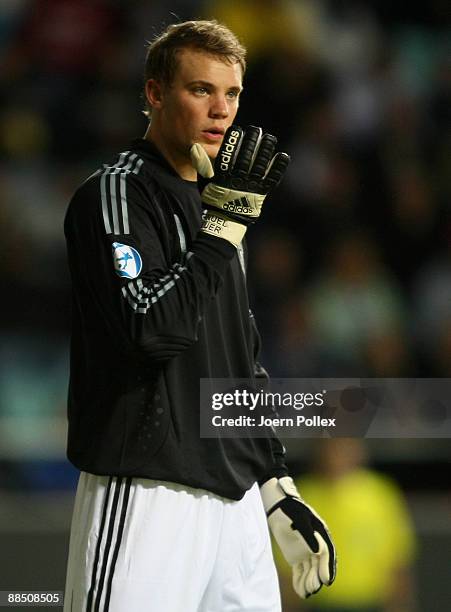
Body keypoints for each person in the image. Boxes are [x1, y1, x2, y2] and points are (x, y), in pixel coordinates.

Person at [63, 19, 336, 612]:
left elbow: (239, 357)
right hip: (146, 491)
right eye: (200, 90)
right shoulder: (116, 194)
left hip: (235, 508)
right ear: (155, 93)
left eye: (232, 93)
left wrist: (273, 482)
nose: (221, 111)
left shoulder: (220, 208)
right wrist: (222, 230)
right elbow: (150, 329)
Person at [274, 439, 417, 612]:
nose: (338, 457)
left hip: (370, 601)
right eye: (333, 449)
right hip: (318, 603)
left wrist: (399, 605)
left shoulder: (380, 495)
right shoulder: (301, 495)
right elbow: (288, 562)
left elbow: (397, 558)